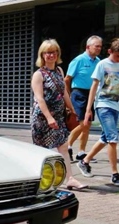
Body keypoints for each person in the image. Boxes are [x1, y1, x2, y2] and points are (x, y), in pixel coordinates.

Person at [30, 39, 87, 190]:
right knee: (41, 149)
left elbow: (64, 93)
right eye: (48, 52)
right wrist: (49, 118)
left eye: (54, 52)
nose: (51, 55)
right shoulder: (38, 74)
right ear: (42, 55)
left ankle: (70, 178)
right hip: (42, 118)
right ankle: (39, 179)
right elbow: (39, 99)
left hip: (59, 116)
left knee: (63, 147)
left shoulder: (59, 71)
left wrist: (72, 109)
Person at [76, 38, 119, 186]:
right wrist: (88, 109)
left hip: (116, 106)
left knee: (105, 138)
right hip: (103, 105)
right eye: (116, 56)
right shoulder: (102, 64)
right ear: (110, 52)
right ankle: (115, 174)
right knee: (113, 138)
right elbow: (94, 86)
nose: (118, 59)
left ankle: (84, 161)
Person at [64, 35, 103, 163]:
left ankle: (81, 152)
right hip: (78, 93)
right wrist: (69, 96)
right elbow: (67, 79)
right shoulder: (78, 60)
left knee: (88, 125)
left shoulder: (98, 61)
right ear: (88, 47)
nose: (99, 48)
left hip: (90, 94)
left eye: (100, 46)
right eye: (96, 46)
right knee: (83, 123)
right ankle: (67, 145)